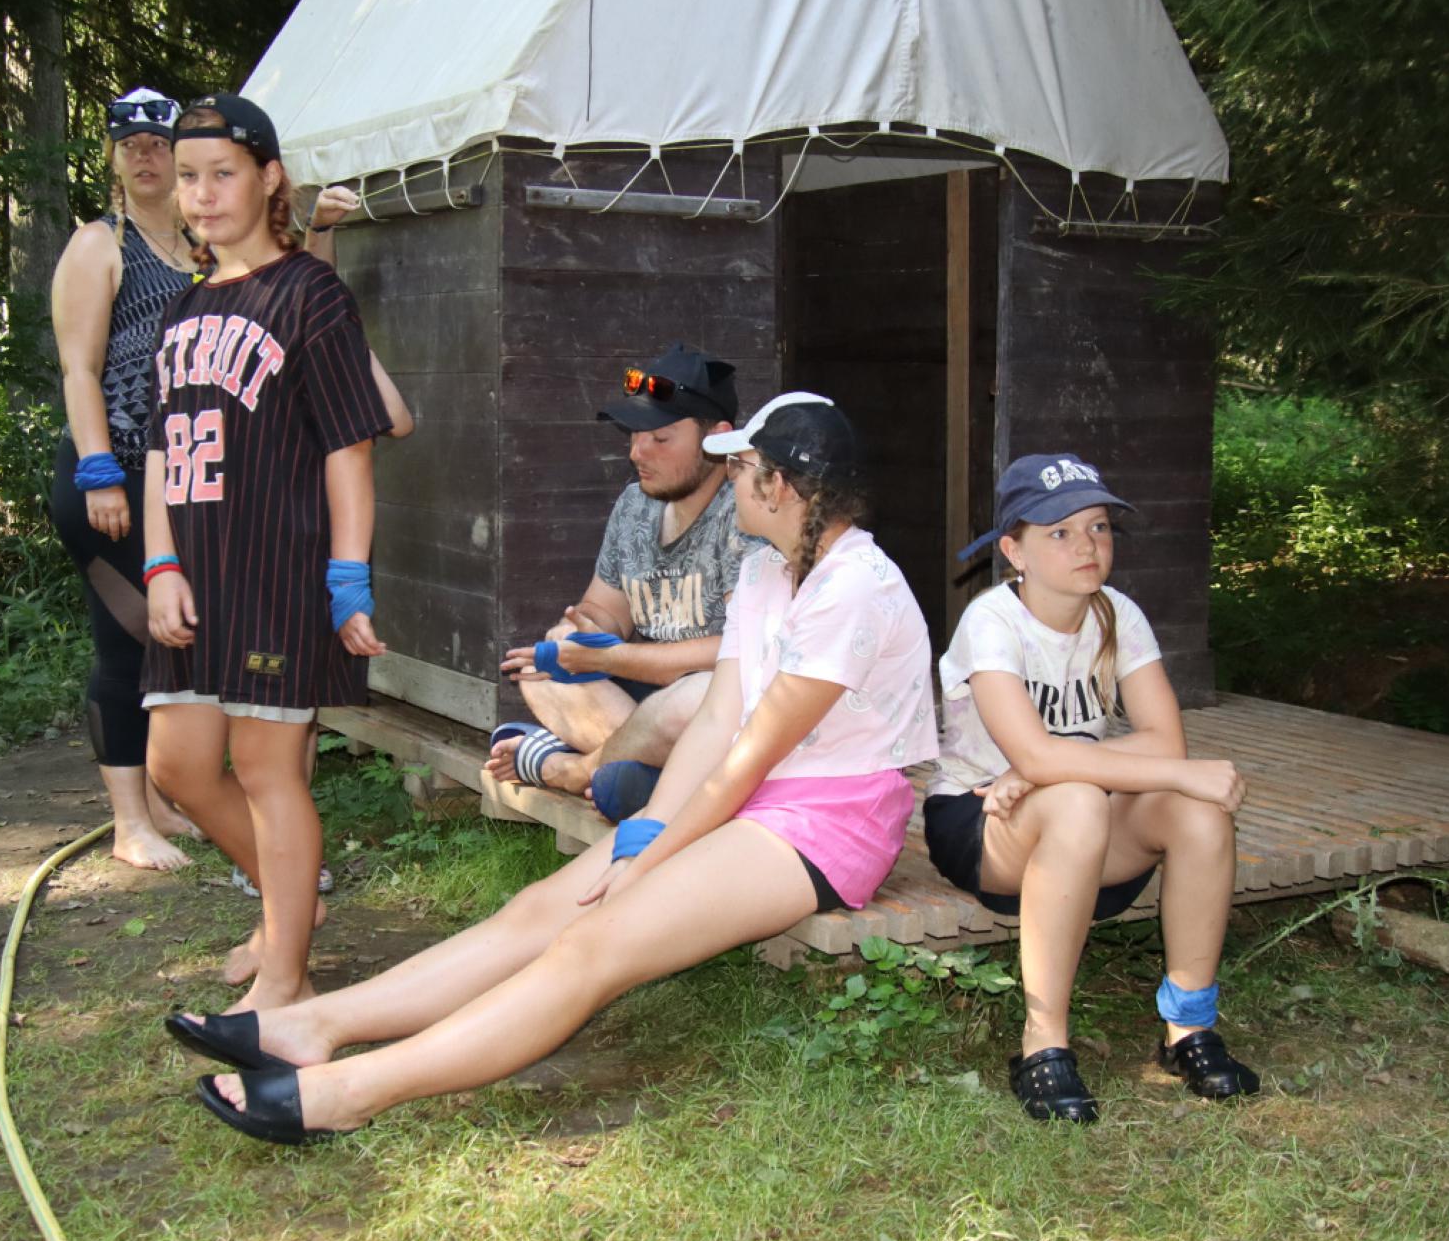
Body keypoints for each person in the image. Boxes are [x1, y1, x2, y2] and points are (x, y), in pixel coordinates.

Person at [171, 393, 938, 1145]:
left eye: (740, 468)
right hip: (751, 796)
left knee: (591, 944)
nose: (729, 480)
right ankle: (312, 1026)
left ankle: (348, 1094)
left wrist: (649, 860)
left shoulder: (854, 587)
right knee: (540, 910)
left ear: (781, 486)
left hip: (826, 822)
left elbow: (749, 756)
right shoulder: (767, 571)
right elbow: (716, 722)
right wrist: (644, 835)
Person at [140, 93, 394, 1013]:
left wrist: (348, 576)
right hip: (193, 572)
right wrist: (159, 565)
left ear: (269, 177)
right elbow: (160, 454)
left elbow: (350, 443)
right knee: (176, 765)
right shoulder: (181, 307)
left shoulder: (310, 293)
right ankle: (294, 912)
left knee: (264, 769)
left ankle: (286, 974)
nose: (203, 195)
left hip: (277, 567)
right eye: (189, 178)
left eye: (223, 174)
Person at [924, 454, 1260, 1124]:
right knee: (1084, 796)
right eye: (1060, 532)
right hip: (982, 821)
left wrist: (1049, 764)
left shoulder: (1118, 615)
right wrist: (1044, 764)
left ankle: (1188, 1028)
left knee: (1197, 811)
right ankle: (1043, 1042)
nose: (1087, 545)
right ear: (1013, 551)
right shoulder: (992, 621)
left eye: (1099, 527)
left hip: (1086, 825)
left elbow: (1162, 742)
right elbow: (1049, 756)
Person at [483, 345, 754, 818]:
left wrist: (611, 657)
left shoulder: (745, 510)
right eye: (634, 435)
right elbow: (604, 611)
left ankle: (575, 767)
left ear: (717, 438)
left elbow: (740, 650)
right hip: (643, 704)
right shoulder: (635, 504)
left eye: (660, 439)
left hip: (714, 704)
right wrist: (576, 635)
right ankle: (650, 772)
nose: (636, 452)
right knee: (540, 669)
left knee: (678, 716)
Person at [48, 87, 205, 872]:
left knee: (171, 642)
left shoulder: (202, 247)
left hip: (180, 480)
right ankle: (129, 823)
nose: (145, 155)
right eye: (129, 144)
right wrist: (99, 469)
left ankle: (164, 801)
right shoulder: (99, 245)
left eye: (158, 143)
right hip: (110, 479)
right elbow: (79, 368)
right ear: (112, 157)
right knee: (127, 641)